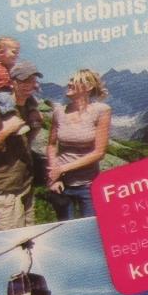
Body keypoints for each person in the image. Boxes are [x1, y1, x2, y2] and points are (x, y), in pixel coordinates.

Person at [0, 61, 44, 231]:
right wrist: (4, 132)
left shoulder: (28, 109)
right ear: (13, 82)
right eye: (25, 81)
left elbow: (23, 145)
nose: (30, 85)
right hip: (3, 192)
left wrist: (36, 128)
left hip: (25, 188)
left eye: (33, 81)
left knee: (29, 242)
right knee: (10, 244)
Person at [47, 69, 112, 220]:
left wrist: (61, 169)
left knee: (90, 228)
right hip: (61, 184)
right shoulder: (59, 112)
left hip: (88, 185)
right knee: (65, 229)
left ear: (88, 87)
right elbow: (51, 145)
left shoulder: (101, 111)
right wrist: (55, 178)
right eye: (70, 80)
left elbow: (99, 153)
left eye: (74, 81)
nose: (69, 83)